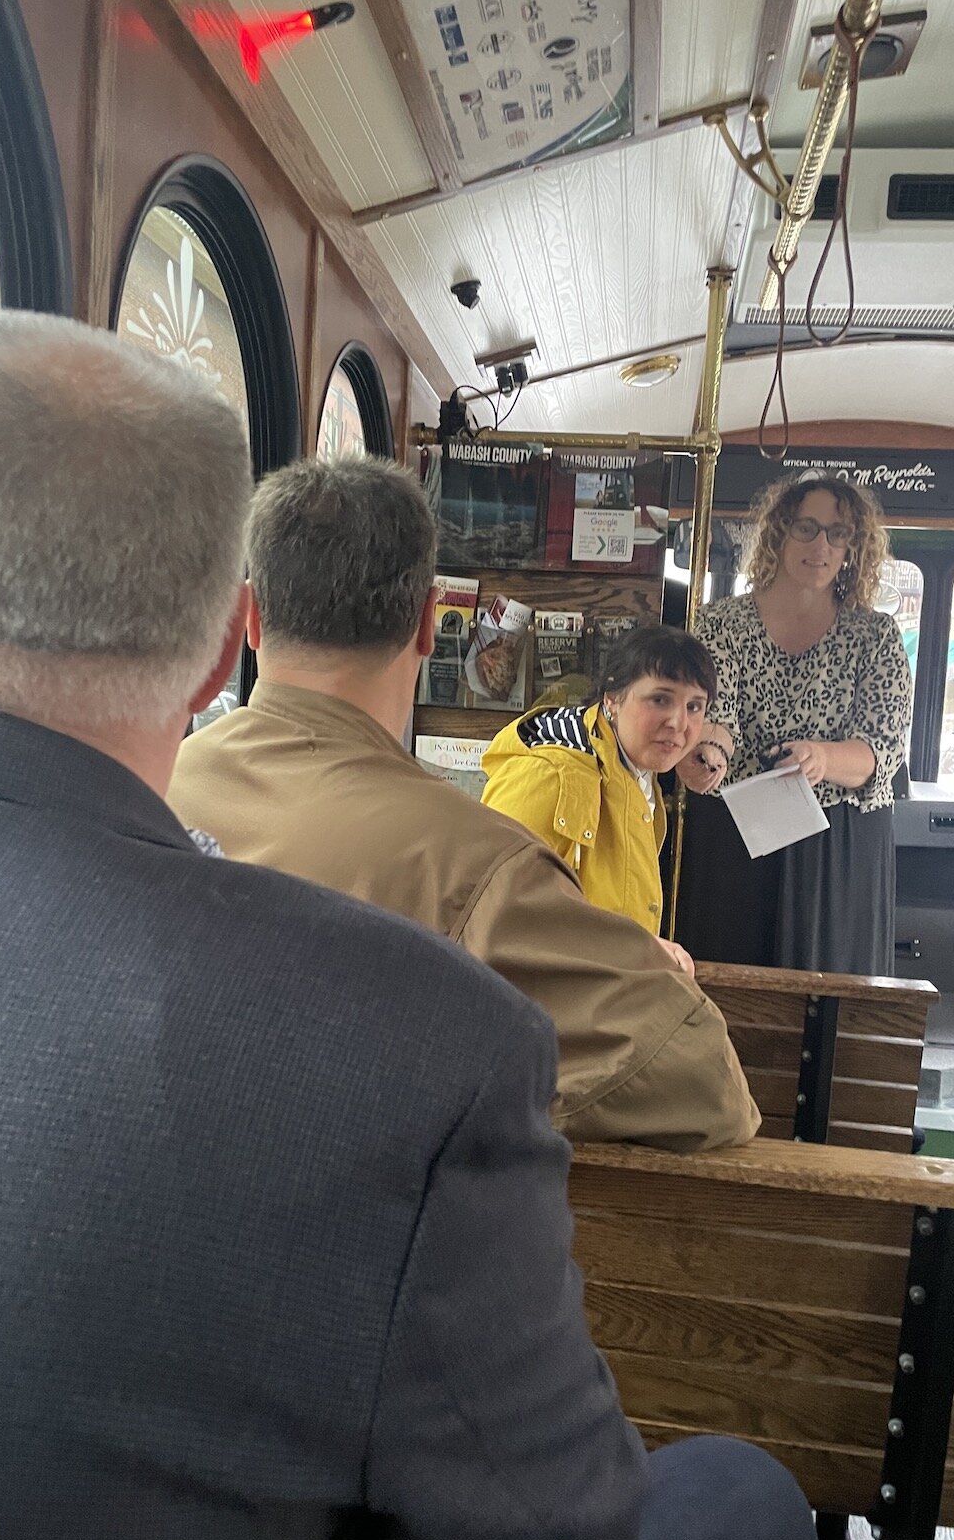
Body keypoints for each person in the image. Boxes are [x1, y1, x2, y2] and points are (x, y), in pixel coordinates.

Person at [0, 313, 815, 1540]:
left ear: (246, 639)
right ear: (216, 650)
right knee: (738, 1491)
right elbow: (559, 1526)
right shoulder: (428, 1042)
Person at [169, 456, 759, 1151]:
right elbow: (706, 1087)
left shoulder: (152, 786)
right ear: (429, 624)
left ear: (249, 619)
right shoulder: (480, 864)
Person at [675, 469, 913, 976]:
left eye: (837, 533)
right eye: (807, 528)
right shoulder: (722, 623)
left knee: (826, 1013)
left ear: (853, 547)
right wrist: (708, 752)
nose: (820, 544)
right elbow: (714, 711)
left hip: (837, 847)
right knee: (728, 994)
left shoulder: (876, 635)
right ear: (780, 531)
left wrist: (823, 758)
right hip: (736, 832)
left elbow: (882, 748)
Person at [480, 622, 722, 961]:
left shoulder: (634, 768)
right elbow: (495, 914)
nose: (679, 723)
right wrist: (634, 949)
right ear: (612, 699)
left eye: (694, 706)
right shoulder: (549, 774)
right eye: (660, 699)